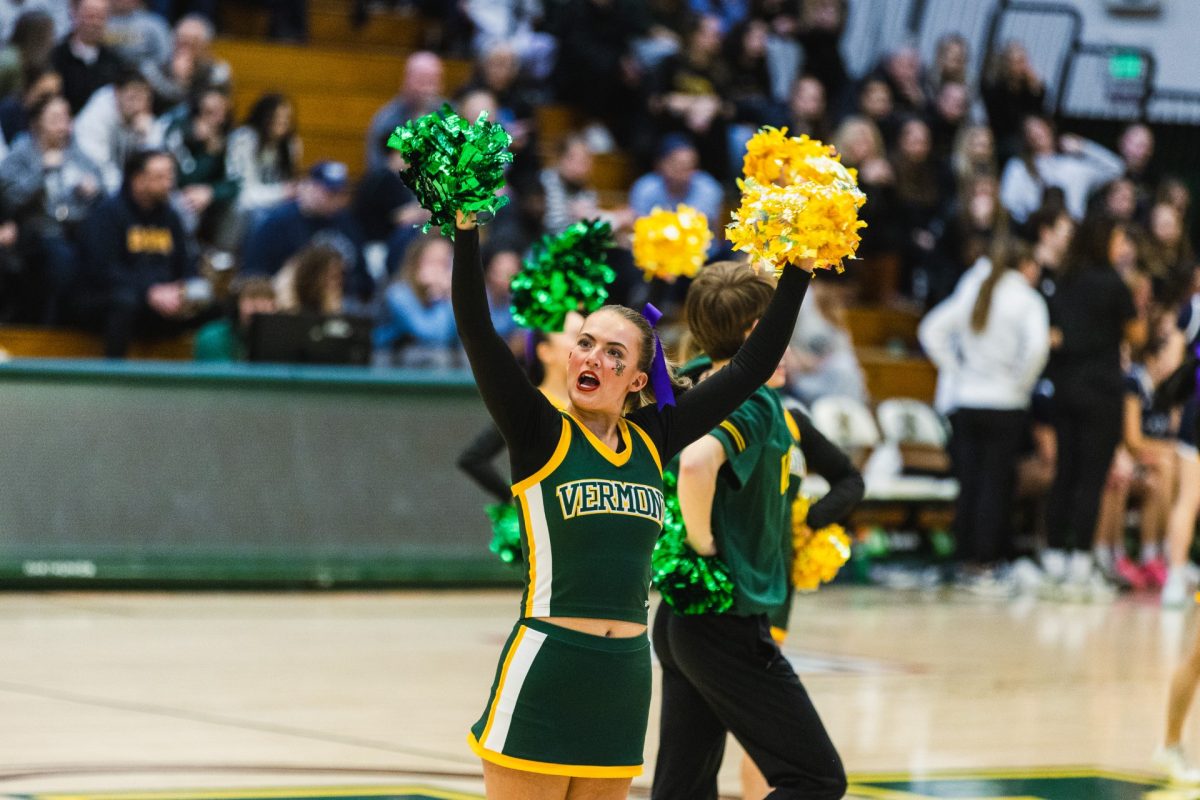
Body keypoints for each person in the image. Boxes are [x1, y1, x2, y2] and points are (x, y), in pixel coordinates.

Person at [452, 193, 813, 796]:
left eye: (613, 352)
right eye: (586, 343)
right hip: (548, 665)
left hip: (623, 679)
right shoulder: (537, 429)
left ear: (638, 379)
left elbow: (751, 367)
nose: (592, 357)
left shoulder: (656, 436)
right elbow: (476, 329)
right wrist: (466, 231)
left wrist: (799, 271)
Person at [653, 262, 857, 800]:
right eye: (778, 330)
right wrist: (705, 545)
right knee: (815, 779)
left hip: (679, 618)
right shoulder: (753, 399)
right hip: (726, 619)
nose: (786, 346)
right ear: (754, 336)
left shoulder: (688, 379)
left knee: (682, 790)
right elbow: (697, 464)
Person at [919, 237, 1050, 592]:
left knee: (970, 484)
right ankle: (985, 561)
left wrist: (956, 370)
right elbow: (1038, 348)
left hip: (966, 401)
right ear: (1024, 265)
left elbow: (931, 329)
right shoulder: (1026, 299)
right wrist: (1019, 385)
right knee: (995, 485)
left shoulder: (972, 287)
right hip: (1005, 403)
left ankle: (964, 559)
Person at [1041, 215, 1147, 599]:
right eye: (1118, 239)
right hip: (1101, 391)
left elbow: (1053, 333)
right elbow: (1136, 335)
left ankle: (1052, 557)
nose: (1122, 247)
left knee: (1064, 474)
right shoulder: (1114, 284)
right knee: (1091, 478)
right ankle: (1081, 564)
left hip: (1065, 389)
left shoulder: (1064, 279)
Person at [73, 147, 204, 357]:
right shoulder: (107, 214)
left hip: (163, 298)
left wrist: (183, 290)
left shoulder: (170, 217)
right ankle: (113, 377)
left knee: (210, 303)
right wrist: (149, 291)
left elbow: (186, 263)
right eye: (160, 177)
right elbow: (101, 271)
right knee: (125, 301)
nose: (169, 184)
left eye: (170, 176)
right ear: (138, 180)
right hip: (107, 298)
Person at [458, 310, 586, 508]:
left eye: (587, 339)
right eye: (575, 337)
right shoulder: (530, 405)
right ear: (545, 352)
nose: (587, 348)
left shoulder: (599, 405)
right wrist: (517, 500)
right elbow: (473, 459)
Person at [0, 92, 104, 324]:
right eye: (56, 118)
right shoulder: (20, 153)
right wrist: (41, 171)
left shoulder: (78, 154)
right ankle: (50, 328)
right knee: (61, 258)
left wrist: (93, 190)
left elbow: (102, 191)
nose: (64, 124)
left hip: (76, 229)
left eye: (67, 117)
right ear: (38, 123)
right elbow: (10, 198)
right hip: (33, 232)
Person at [1093, 336, 1181, 592]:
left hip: (1138, 462)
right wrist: (1171, 451)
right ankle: (1110, 554)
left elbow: (1168, 436)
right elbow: (1132, 439)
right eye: (1170, 355)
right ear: (1153, 357)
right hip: (1116, 460)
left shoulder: (1167, 389)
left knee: (1164, 473)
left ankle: (1155, 554)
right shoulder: (1132, 383)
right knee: (1127, 475)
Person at [240, 160, 372, 305]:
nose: (335, 199)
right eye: (328, 192)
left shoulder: (347, 223)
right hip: (291, 301)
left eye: (340, 193)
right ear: (307, 187)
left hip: (342, 300)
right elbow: (255, 274)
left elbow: (362, 275)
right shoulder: (278, 223)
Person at [999, 115, 1123, 225]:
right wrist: (1029, 222)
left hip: (1072, 232)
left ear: (1050, 127)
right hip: (1035, 233)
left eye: (1039, 127)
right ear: (1025, 137)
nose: (1036, 133)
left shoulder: (1075, 167)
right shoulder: (1019, 167)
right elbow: (1008, 202)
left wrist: (1083, 146)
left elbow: (1116, 168)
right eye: (1030, 130)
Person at [373, 232, 457, 367]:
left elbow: (463, 337)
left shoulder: (450, 292)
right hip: (392, 364)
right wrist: (444, 298)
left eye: (445, 263)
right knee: (438, 357)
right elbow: (434, 336)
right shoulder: (398, 292)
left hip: (427, 361)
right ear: (416, 263)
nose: (439, 269)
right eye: (433, 262)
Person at [73, 66, 155, 192]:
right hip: (84, 177)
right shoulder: (96, 117)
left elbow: (156, 163)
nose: (138, 106)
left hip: (120, 184)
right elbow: (102, 169)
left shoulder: (141, 119)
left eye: (143, 99)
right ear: (117, 93)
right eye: (132, 98)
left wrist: (147, 138)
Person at [365, 51, 444, 174]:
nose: (427, 88)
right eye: (421, 81)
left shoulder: (450, 115)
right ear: (406, 80)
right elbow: (378, 171)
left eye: (433, 81)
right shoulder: (388, 121)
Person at [628, 135, 723, 237]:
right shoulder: (645, 187)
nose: (684, 173)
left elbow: (697, 226)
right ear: (660, 164)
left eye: (690, 166)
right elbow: (638, 225)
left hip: (701, 250)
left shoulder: (708, 189)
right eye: (678, 165)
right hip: (656, 247)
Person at [225, 91, 300, 219]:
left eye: (287, 118)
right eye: (277, 117)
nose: (283, 123)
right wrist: (282, 192)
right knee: (261, 216)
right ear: (264, 117)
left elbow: (289, 184)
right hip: (243, 211)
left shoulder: (290, 143)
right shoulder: (244, 139)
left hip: (276, 204)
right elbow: (243, 196)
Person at [52, 0, 123, 114]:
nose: (94, 22)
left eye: (100, 17)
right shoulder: (56, 57)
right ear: (74, 13)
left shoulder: (115, 62)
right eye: (89, 16)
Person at [192, 275, 276, 361]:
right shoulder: (211, 337)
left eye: (265, 306)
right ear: (236, 305)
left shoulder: (280, 341)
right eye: (253, 304)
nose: (259, 307)